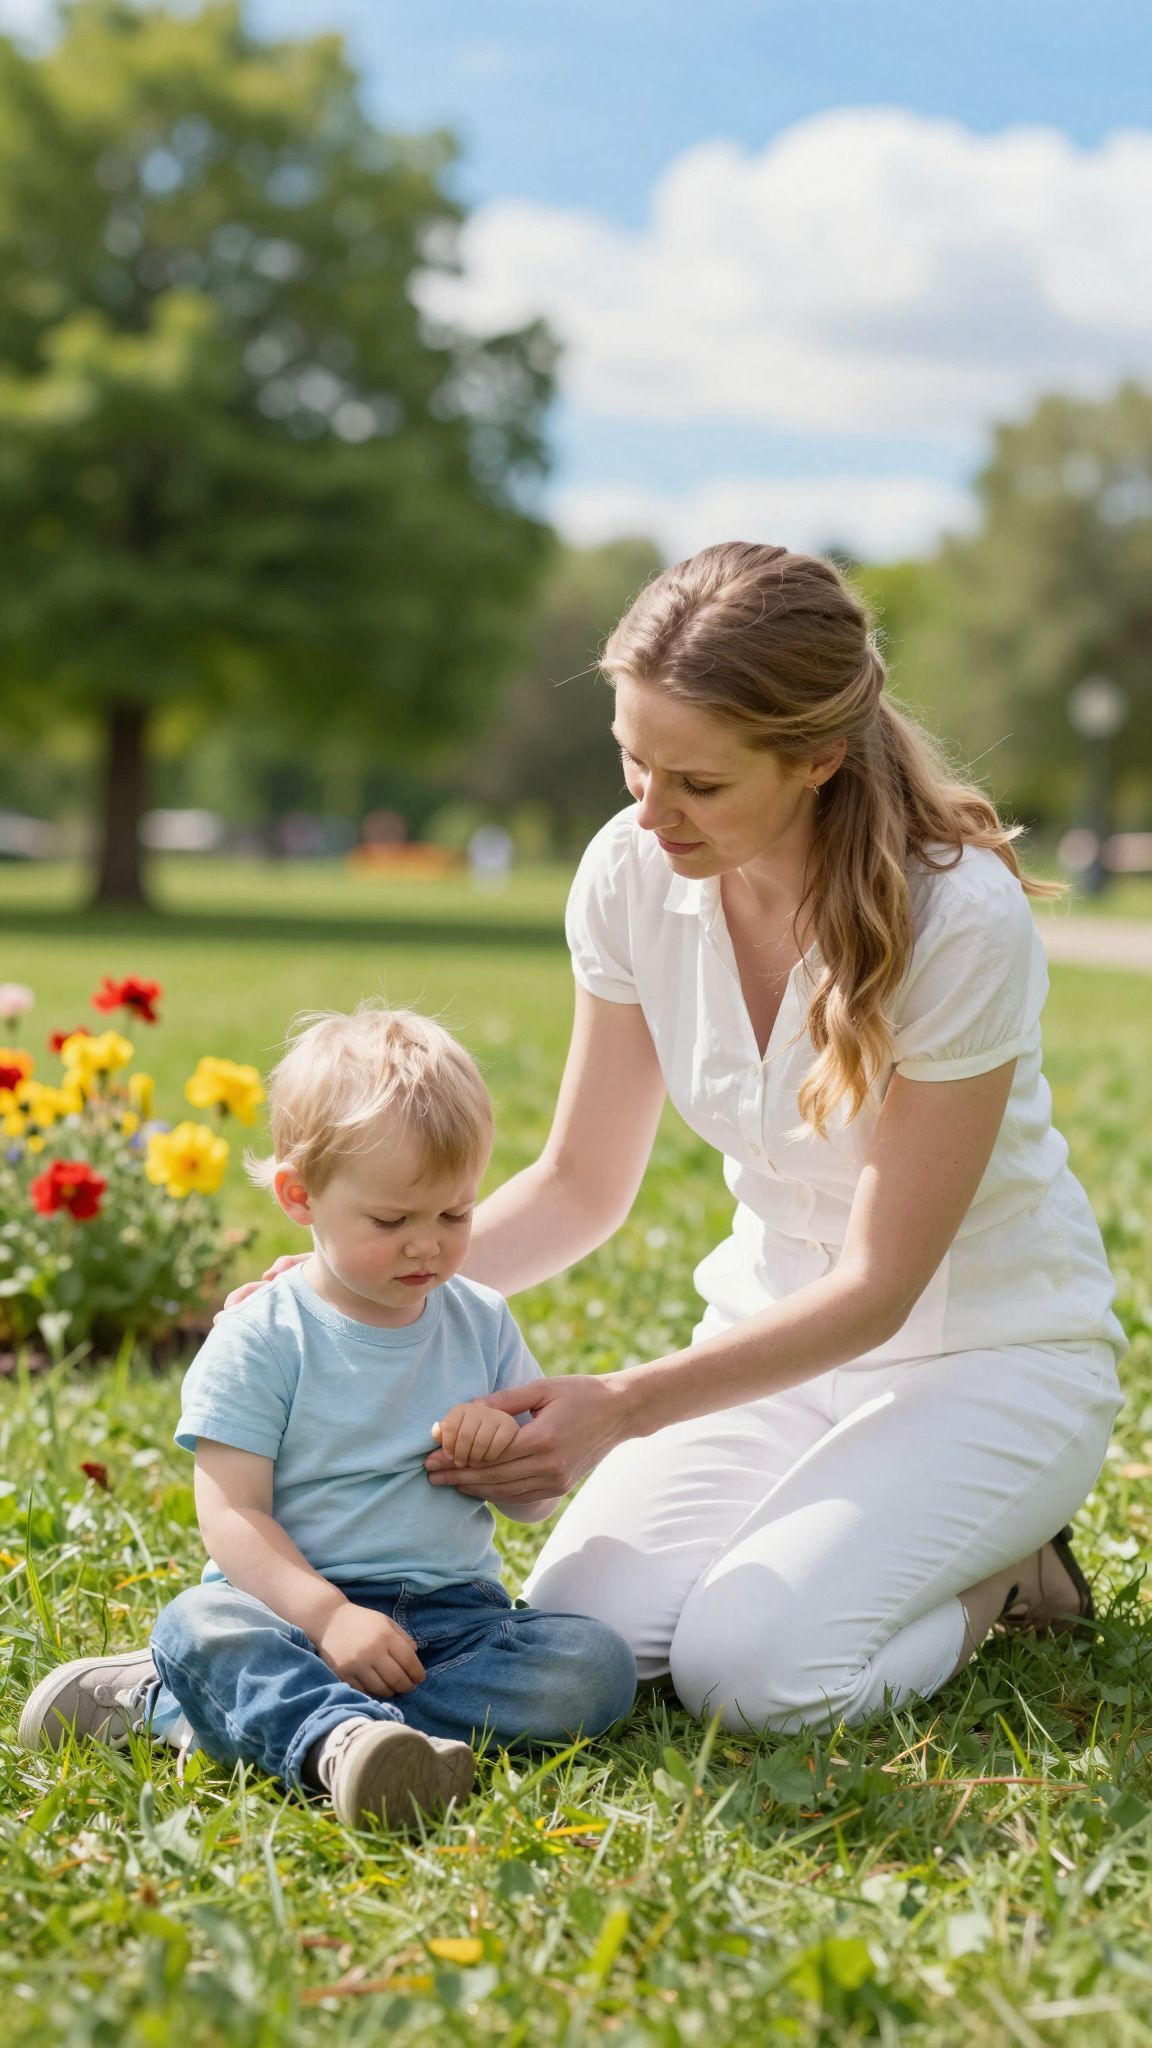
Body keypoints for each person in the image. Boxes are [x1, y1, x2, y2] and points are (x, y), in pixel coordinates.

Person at [18, 1008, 636, 1827]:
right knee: (199, 1624)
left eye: (455, 1215)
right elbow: (232, 1516)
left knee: (593, 1666)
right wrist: (328, 1615)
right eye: (391, 1222)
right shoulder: (264, 1333)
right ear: (298, 1197)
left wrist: (506, 1459)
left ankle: (253, 1724)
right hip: (289, 1614)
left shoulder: (481, 1319)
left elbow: (532, 1500)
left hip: (451, 1623)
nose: (429, 1247)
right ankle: (308, 1730)